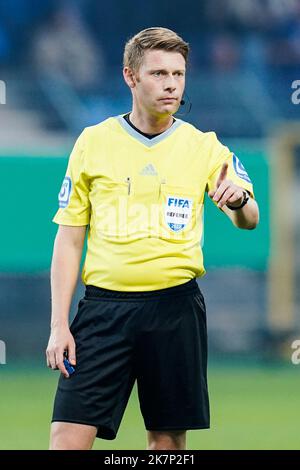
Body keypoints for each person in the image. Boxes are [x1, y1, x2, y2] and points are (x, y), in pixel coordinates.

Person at [46, 27, 259, 451]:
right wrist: (58, 325)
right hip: (103, 311)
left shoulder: (205, 146)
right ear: (130, 76)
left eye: (179, 74)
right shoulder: (93, 142)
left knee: (167, 444)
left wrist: (237, 201)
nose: (171, 84)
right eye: (159, 73)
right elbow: (69, 240)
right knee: (66, 439)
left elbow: (249, 218)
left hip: (174, 309)